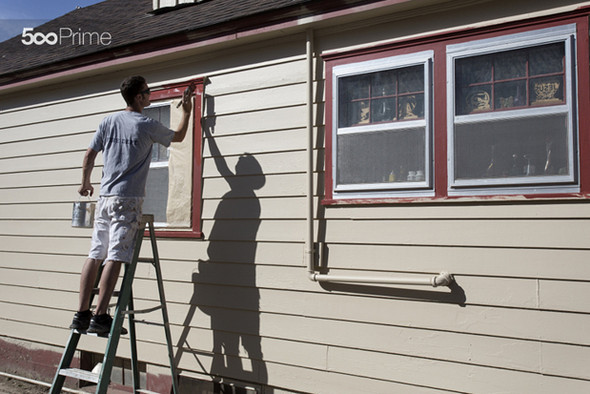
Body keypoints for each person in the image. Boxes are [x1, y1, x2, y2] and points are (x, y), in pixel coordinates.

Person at [69, 75, 193, 334]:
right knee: (115, 256)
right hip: (128, 200)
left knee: (95, 254)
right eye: (147, 91)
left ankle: (81, 314)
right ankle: (100, 317)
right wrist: (187, 111)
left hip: (105, 197)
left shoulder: (109, 121)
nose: (150, 95)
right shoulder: (146, 125)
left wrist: (85, 183)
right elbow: (179, 136)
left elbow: (90, 154)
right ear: (139, 97)